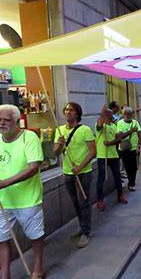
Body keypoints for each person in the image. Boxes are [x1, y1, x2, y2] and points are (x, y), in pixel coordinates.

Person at [0, 105, 45, 279]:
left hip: (27, 199)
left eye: (6, 120)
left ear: (16, 122)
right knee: (0, 239)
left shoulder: (29, 137)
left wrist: (4, 183)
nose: (2, 123)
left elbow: (33, 168)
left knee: (35, 236)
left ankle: (38, 270)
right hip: (1, 201)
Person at [54, 102, 96, 248]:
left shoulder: (85, 130)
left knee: (84, 201)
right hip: (67, 173)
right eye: (66, 110)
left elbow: (92, 151)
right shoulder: (59, 130)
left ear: (77, 113)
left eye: (71, 110)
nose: (68, 112)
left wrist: (80, 166)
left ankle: (86, 232)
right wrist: (59, 144)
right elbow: (55, 153)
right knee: (75, 202)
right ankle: (82, 225)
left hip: (83, 173)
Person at [95, 106, 128, 211]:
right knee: (101, 178)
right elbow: (99, 126)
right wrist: (102, 113)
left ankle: (120, 195)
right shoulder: (100, 125)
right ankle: (99, 200)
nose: (112, 115)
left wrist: (110, 143)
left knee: (117, 176)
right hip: (102, 156)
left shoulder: (114, 126)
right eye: (109, 113)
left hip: (113, 155)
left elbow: (119, 139)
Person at [117, 107, 141, 191]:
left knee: (134, 167)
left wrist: (139, 146)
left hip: (134, 148)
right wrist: (131, 131)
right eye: (127, 114)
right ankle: (131, 182)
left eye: (130, 114)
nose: (128, 115)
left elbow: (140, 136)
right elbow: (120, 136)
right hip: (124, 148)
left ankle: (132, 182)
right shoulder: (120, 123)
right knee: (127, 166)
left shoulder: (135, 123)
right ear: (124, 115)